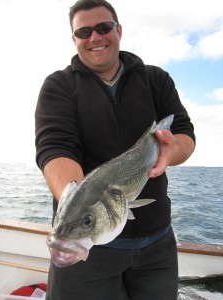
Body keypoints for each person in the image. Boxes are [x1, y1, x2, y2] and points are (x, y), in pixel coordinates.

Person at [35, 0, 195, 299]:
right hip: (90, 254)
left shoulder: (156, 79)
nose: (94, 37)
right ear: (74, 39)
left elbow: (184, 134)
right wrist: (76, 200)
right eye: (83, 32)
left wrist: (169, 151)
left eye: (103, 27)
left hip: (157, 247)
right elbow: (55, 147)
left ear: (118, 30)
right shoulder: (59, 86)